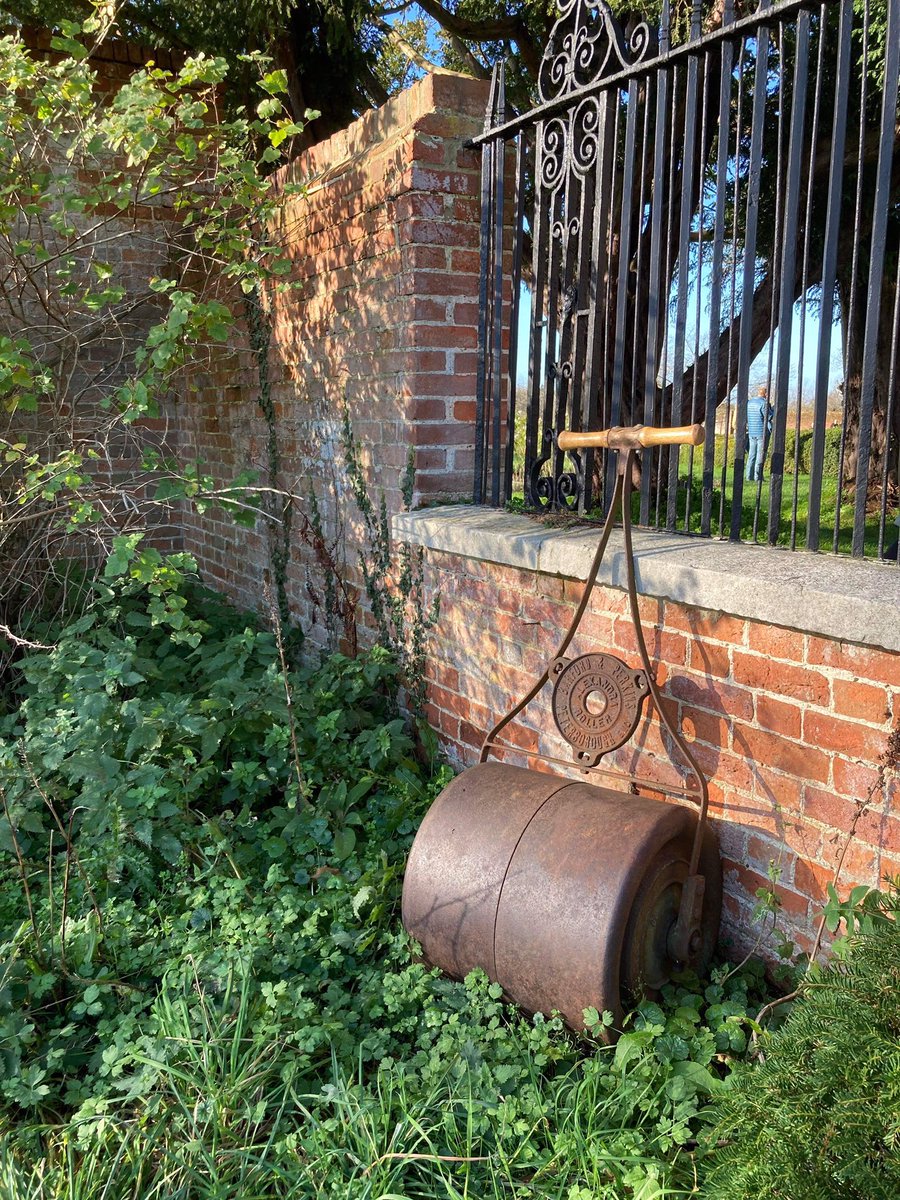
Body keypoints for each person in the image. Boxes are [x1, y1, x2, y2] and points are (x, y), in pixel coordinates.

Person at [745, 384, 773, 483]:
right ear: (765, 394)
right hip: (762, 432)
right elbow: (768, 416)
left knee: (751, 455)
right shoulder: (764, 403)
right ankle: (758, 476)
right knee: (760, 455)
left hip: (752, 432)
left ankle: (749, 476)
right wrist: (773, 410)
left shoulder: (750, 402)